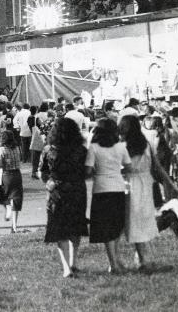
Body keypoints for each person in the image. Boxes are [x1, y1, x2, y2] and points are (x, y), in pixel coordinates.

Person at [119, 115, 178, 269]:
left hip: (130, 184)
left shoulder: (122, 146)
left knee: (133, 222)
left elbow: (124, 168)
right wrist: (171, 185)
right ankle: (141, 258)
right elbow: (158, 167)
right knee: (144, 220)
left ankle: (141, 259)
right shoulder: (145, 144)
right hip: (146, 184)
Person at [41, 118, 88, 278]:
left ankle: (66, 267)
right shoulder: (81, 150)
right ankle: (74, 262)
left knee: (59, 229)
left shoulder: (49, 150)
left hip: (56, 191)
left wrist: (49, 183)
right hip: (77, 190)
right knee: (76, 226)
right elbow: (86, 172)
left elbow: (42, 172)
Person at [85, 118, 132, 274]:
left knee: (105, 227)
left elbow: (88, 171)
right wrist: (116, 172)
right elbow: (129, 167)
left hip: (100, 189)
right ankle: (116, 259)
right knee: (117, 225)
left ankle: (113, 262)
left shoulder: (93, 147)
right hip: (118, 187)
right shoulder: (120, 147)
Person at [0, 131, 23, 233]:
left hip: (6, 175)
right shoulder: (17, 148)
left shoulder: (1, 150)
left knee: (3, 195)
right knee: (16, 199)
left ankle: (8, 208)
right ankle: (14, 226)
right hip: (17, 175)